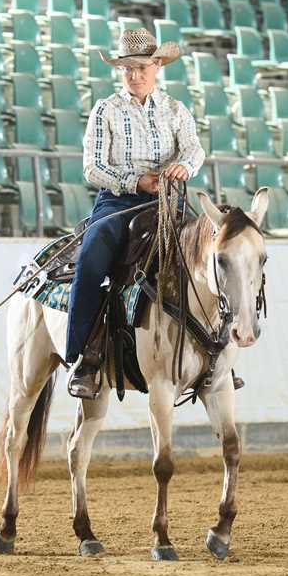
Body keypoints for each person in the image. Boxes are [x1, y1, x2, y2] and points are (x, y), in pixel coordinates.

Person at [64, 28, 202, 399]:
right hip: (117, 202)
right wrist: (135, 181)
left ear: (157, 67)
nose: (135, 75)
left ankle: (213, 354)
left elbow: (194, 149)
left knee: (205, 258)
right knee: (91, 259)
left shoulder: (175, 109)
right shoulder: (106, 109)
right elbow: (93, 168)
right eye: (128, 69)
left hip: (167, 202)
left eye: (142, 68)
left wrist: (185, 166)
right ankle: (83, 357)